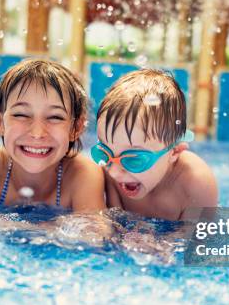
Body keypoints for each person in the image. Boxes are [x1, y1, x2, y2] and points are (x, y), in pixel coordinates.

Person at [0, 59, 105, 212]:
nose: (37, 133)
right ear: (0, 121)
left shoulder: (82, 174)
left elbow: (94, 234)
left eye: (55, 117)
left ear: (76, 127)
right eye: (21, 115)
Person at [92, 69, 218, 221]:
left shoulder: (196, 184)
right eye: (104, 153)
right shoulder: (107, 170)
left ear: (174, 151)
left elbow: (197, 239)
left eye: (134, 159)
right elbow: (113, 223)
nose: (114, 173)